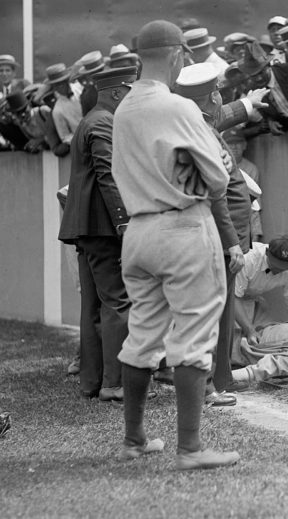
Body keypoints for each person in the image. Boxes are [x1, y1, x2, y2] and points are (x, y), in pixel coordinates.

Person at [111, 20, 239, 470]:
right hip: (183, 226)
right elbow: (220, 178)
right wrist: (217, 162)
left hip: (138, 230)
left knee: (142, 335)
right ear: (177, 55)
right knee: (193, 334)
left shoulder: (123, 108)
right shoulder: (179, 107)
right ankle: (190, 449)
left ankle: (134, 439)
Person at [174, 62, 269, 402]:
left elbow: (215, 117)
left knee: (222, 308)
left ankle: (221, 376)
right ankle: (209, 381)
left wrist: (246, 104)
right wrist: (231, 244)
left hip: (221, 234)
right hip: (218, 235)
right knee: (214, 310)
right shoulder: (200, 132)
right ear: (212, 96)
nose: (219, 98)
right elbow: (217, 197)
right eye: (216, 93)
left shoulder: (198, 122)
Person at [58, 67, 137, 402]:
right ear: (118, 92)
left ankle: (92, 382)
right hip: (103, 228)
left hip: (87, 229)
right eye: (129, 92)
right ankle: (114, 383)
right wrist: (123, 222)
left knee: (93, 306)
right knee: (117, 302)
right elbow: (107, 174)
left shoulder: (89, 120)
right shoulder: (105, 121)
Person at [234, 235, 288, 346]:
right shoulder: (248, 258)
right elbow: (234, 298)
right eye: (276, 265)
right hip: (224, 294)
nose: (279, 270)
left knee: (249, 342)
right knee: (227, 339)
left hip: (248, 298)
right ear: (267, 252)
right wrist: (250, 330)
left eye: (284, 267)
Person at [238, 42, 288, 135]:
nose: (258, 78)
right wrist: (270, 121)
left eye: (261, 72)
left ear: (269, 66)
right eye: (253, 76)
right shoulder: (252, 90)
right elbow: (265, 113)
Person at [221, 128, 263, 242]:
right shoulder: (218, 165)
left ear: (244, 145)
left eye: (237, 143)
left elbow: (255, 206)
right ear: (223, 146)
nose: (234, 147)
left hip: (242, 224)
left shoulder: (251, 169)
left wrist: (256, 235)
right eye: (230, 143)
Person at [45, 63, 83, 145]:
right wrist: (79, 140)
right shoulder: (57, 110)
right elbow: (65, 136)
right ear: (53, 87)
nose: (60, 87)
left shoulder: (82, 88)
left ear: (67, 80)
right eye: (56, 85)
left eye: (62, 82)